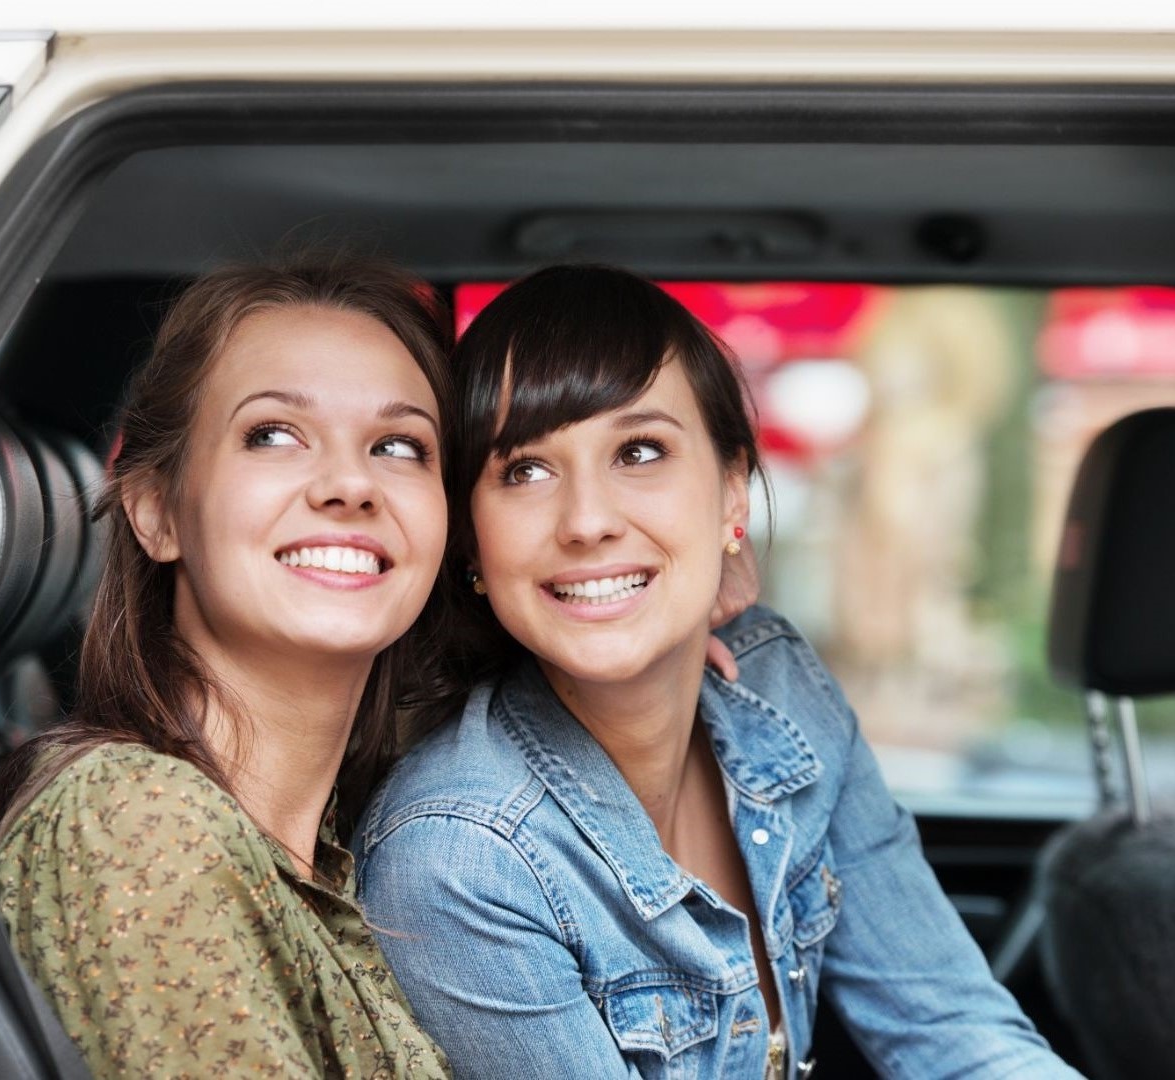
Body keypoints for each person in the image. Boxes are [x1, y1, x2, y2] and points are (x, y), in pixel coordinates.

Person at [353, 265, 1082, 1078]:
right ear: (470, 541)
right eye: (523, 470)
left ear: (731, 492)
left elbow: (954, 1033)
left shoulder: (775, 686)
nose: (587, 521)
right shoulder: (461, 858)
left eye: (639, 451)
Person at [0, 259, 454, 1078]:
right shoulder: (138, 820)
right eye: (272, 434)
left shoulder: (327, 836)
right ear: (156, 510)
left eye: (399, 445)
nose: (351, 483)